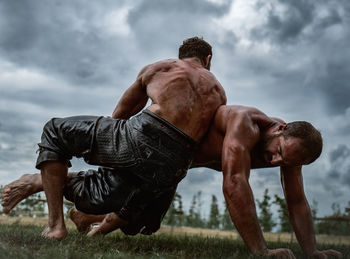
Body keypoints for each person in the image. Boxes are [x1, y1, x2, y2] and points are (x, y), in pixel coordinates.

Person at [2, 105, 342, 258]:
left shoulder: (291, 148)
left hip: (171, 172)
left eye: (288, 162)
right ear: (280, 129)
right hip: (151, 149)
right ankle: (38, 180)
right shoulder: (245, 123)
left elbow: (296, 201)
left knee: (143, 224)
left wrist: (311, 251)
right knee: (101, 194)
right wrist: (261, 251)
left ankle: (86, 219)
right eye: (280, 152)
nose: (277, 162)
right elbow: (235, 184)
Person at [1, 36, 226, 241]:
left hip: (143, 136)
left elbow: (121, 112)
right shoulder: (219, 92)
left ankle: (54, 225)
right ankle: (53, 192)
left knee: (55, 130)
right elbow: (207, 141)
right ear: (207, 60)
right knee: (108, 205)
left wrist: (113, 154)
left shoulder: (163, 67)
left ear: (182, 58)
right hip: (175, 164)